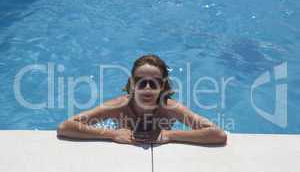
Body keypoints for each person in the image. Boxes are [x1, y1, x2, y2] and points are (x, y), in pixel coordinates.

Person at [57, 55, 227, 145]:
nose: (147, 88)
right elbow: (66, 127)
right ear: (132, 83)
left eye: (154, 83)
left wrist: (170, 135)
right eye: (141, 81)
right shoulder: (119, 106)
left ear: (162, 85)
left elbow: (217, 134)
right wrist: (111, 134)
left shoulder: (169, 108)